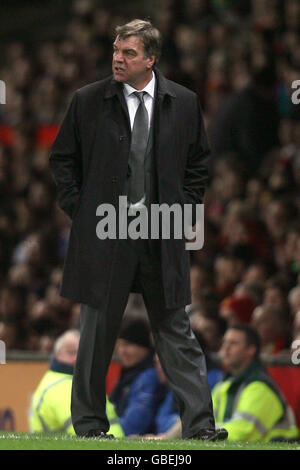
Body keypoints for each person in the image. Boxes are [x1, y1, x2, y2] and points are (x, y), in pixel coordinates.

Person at [49, 18, 227, 441]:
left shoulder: (183, 102)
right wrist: (83, 211)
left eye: (128, 53)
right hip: (106, 233)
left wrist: (183, 210)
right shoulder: (88, 100)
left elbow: (199, 163)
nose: (118, 58)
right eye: (115, 50)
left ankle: (200, 427)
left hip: (160, 232)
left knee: (176, 332)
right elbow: (62, 161)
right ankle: (91, 426)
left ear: (151, 59)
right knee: (96, 334)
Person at [212, 324, 299, 442]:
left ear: (251, 350)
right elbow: (206, 422)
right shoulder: (222, 385)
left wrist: (204, 434)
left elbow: (242, 433)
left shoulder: (259, 387)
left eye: (233, 343)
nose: (225, 348)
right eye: (225, 342)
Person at [29, 329, 123, 437]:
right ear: (55, 355)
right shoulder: (64, 387)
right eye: (71, 352)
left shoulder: (58, 381)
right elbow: (84, 434)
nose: (77, 358)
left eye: (82, 353)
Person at [109, 316, 163, 436]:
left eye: (128, 345)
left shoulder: (148, 377)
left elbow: (133, 425)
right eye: (119, 345)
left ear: (143, 347)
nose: (122, 351)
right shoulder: (129, 374)